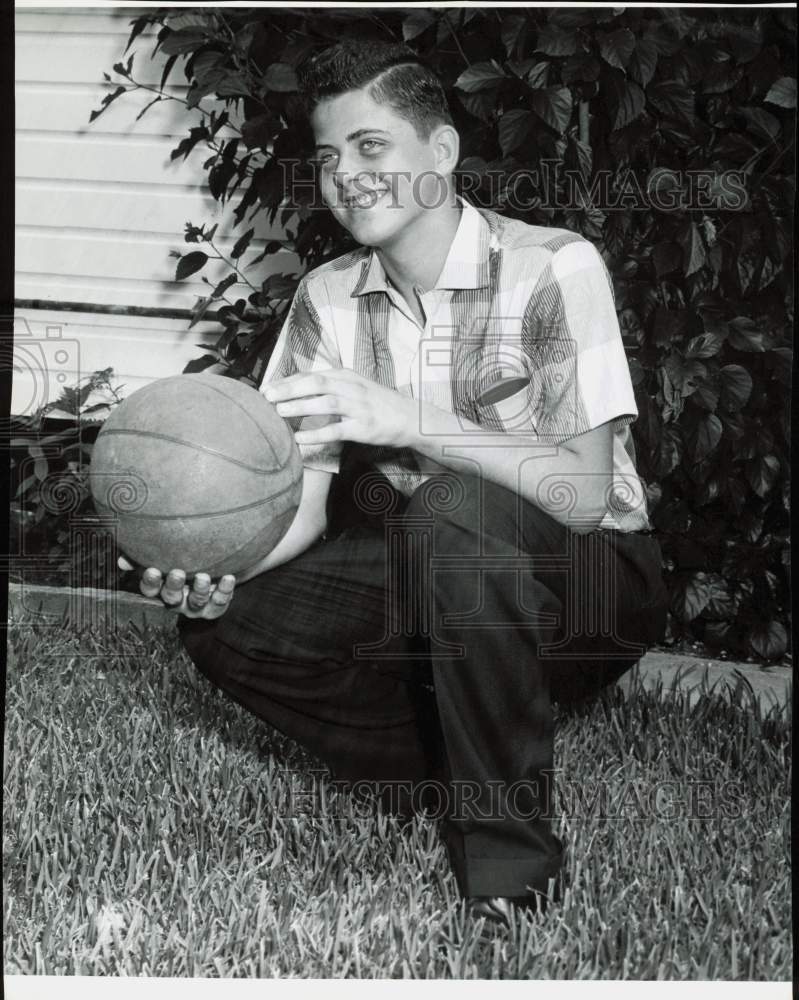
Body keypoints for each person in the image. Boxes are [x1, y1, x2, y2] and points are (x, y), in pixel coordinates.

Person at [126, 41, 669, 926]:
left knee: (448, 511)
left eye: (372, 146)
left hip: (593, 578)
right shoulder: (327, 299)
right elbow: (295, 499)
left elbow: (580, 490)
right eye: (330, 156)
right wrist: (210, 561)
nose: (347, 175)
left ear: (441, 153)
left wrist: (411, 421)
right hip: (446, 568)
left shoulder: (551, 267)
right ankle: (433, 767)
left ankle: (506, 864)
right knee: (224, 621)